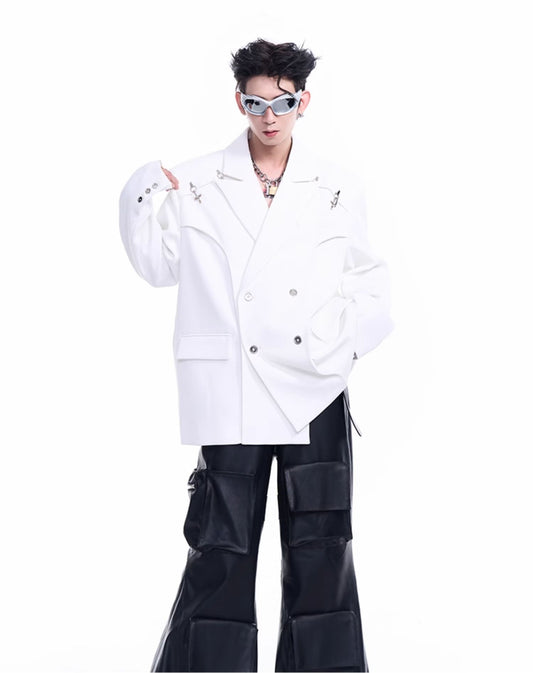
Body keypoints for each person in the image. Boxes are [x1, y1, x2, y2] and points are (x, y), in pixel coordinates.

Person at [119, 38, 393, 673]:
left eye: (283, 102)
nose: (270, 116)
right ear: (238, 102)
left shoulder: (336, 186)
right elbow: (158, 267)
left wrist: (338, 345)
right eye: (256, 103)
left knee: (323, 552)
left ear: (304, 102)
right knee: (221, 552)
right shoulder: (195, 181)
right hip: (232, 390)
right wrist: (141, 191)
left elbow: (372, 282)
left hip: (314, 390)